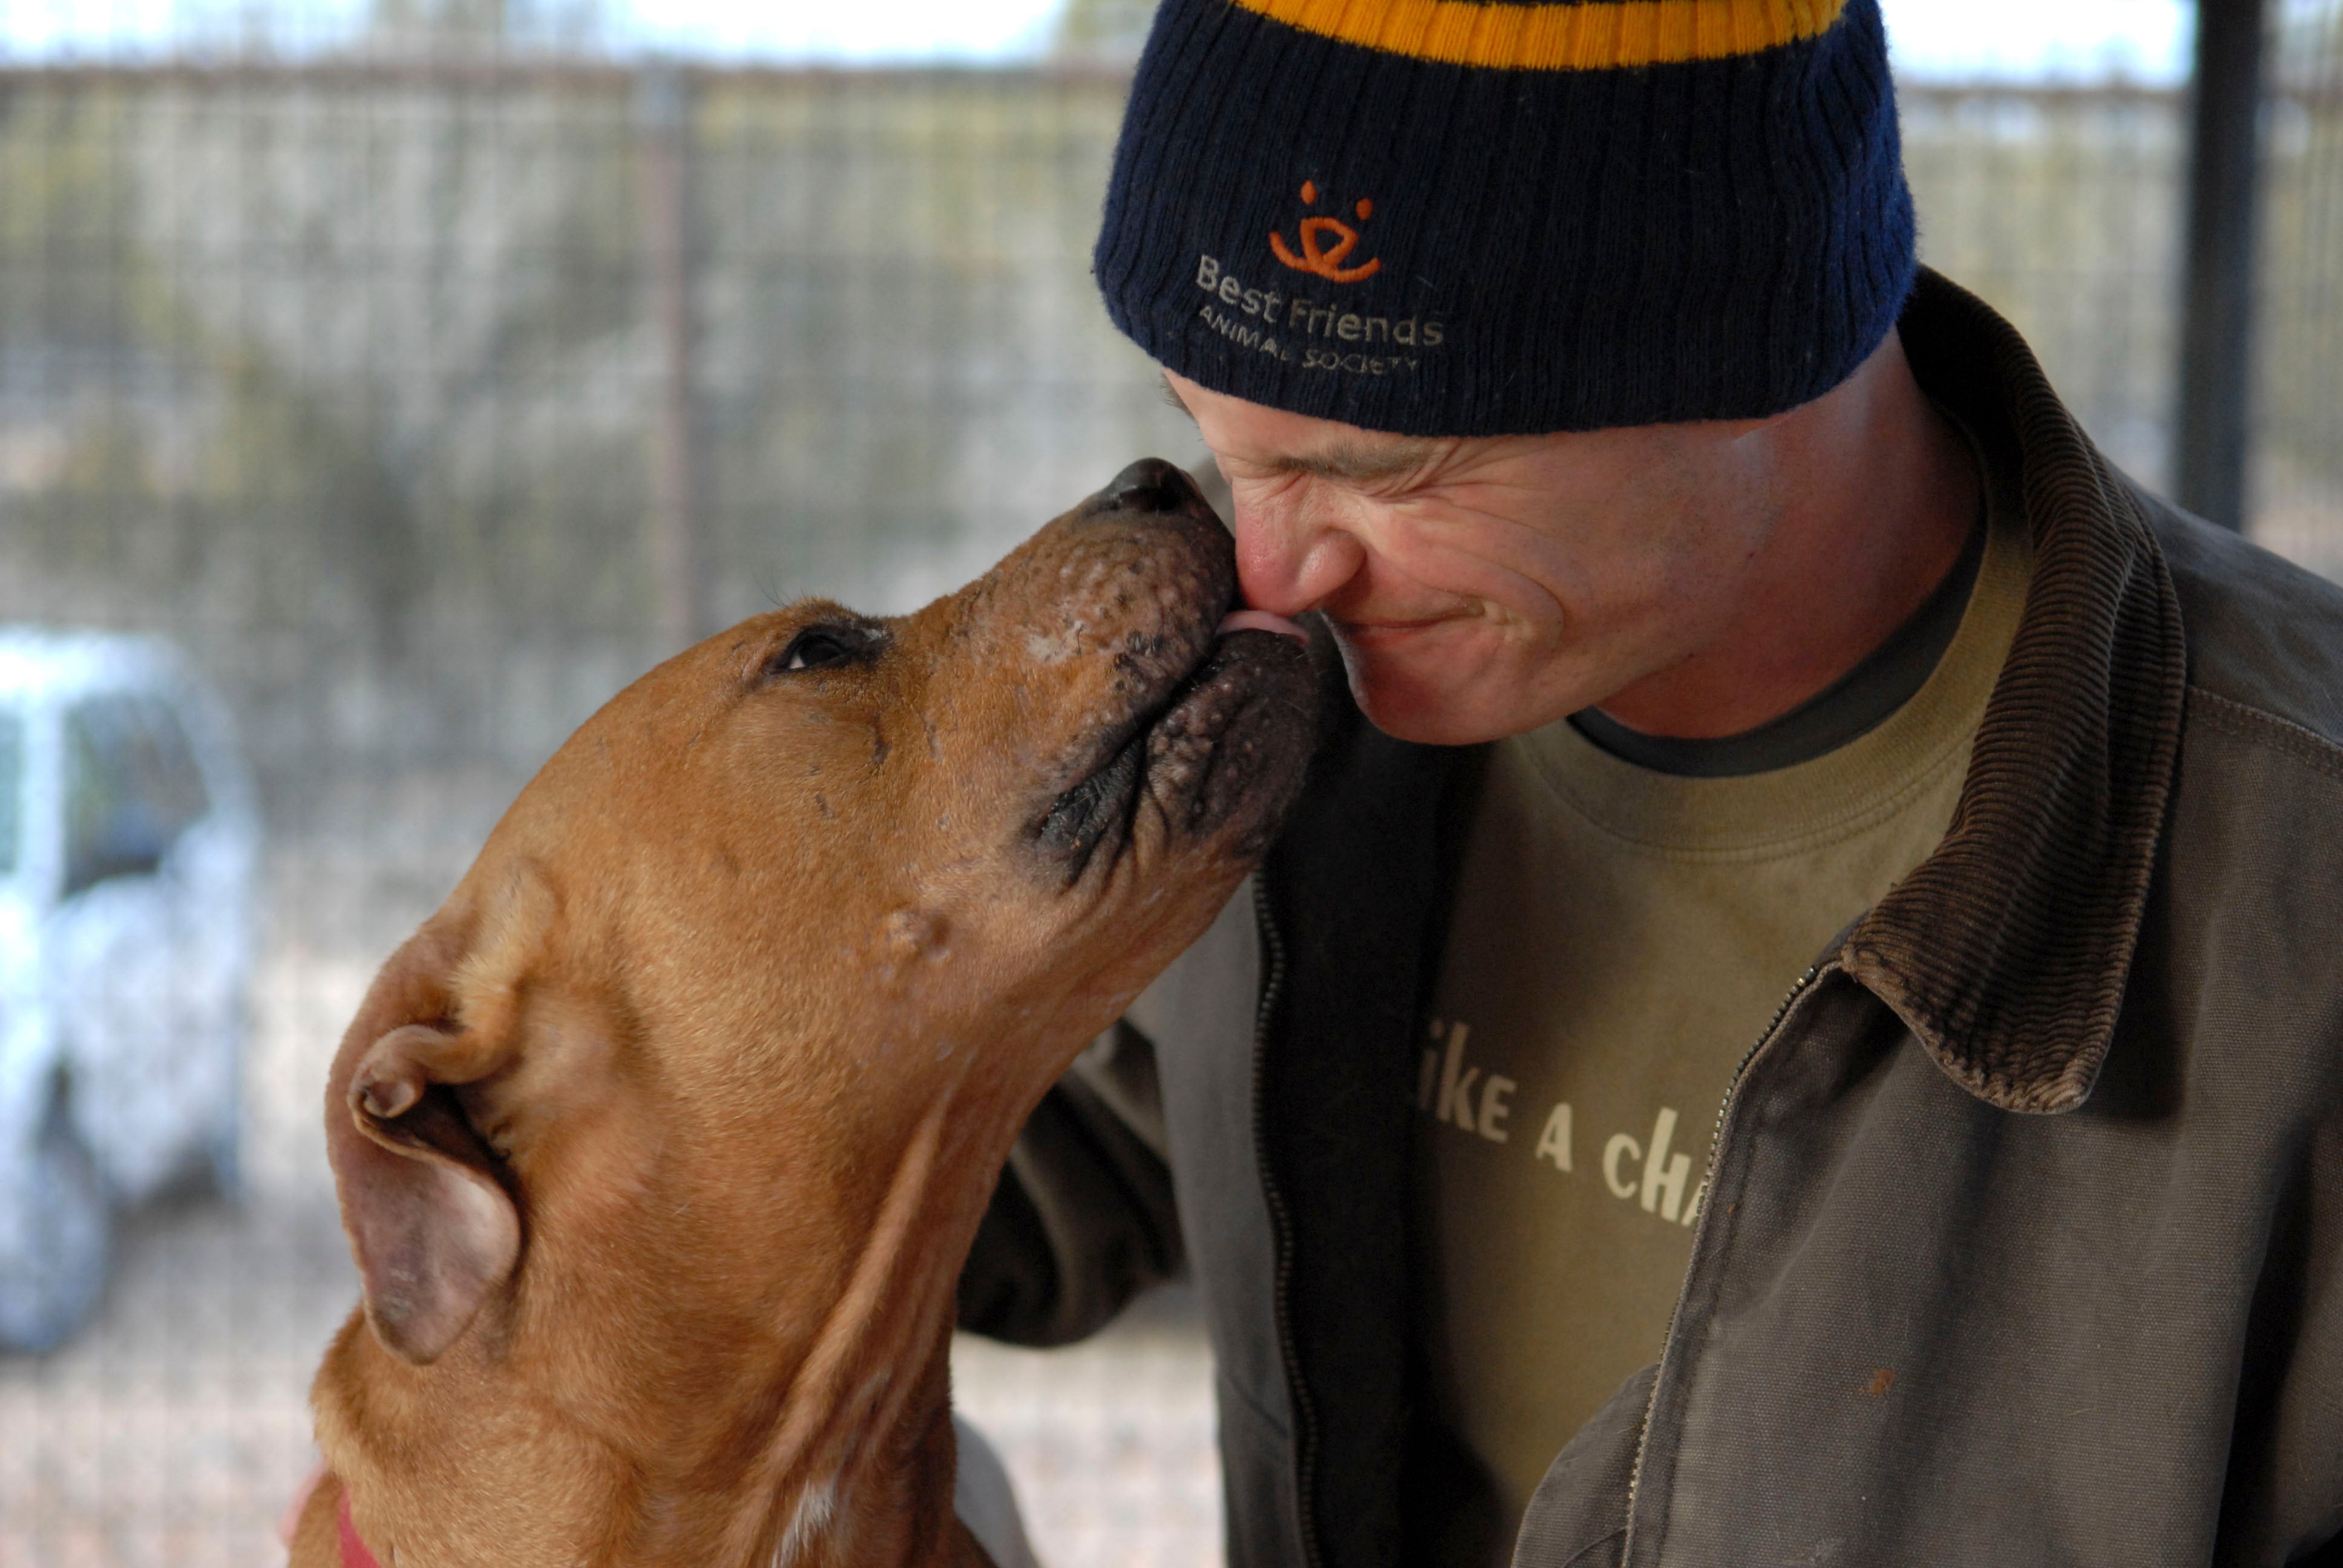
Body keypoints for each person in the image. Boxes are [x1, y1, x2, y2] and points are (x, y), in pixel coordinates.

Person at [958, 0, 2343, 1564]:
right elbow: (903, 1157)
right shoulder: (1261, 696)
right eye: (1219, 439)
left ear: (1753, 335)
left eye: (1387, 469)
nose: (1269, 566)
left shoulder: (2301, 917)